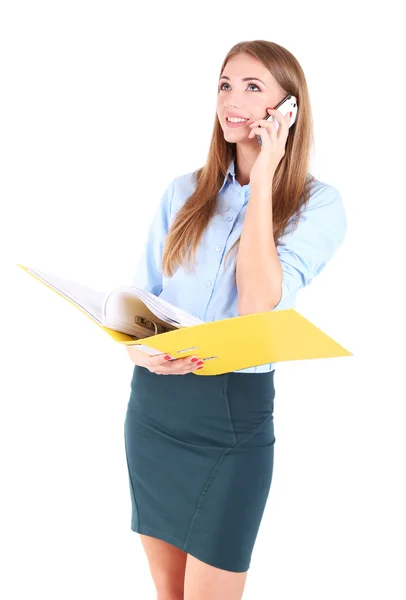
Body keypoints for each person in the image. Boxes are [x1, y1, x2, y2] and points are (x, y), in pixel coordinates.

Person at [124, 40, 347, 600]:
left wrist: (265, 173)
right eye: (226, 84)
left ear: (287, 110)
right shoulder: (183, 192)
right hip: (154, 410)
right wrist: (137, 349)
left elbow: (257, 305)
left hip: (232, 418)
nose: (233, 99)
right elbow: (135, 306)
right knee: (168, 593)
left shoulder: (318, 205)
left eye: (253, 87)